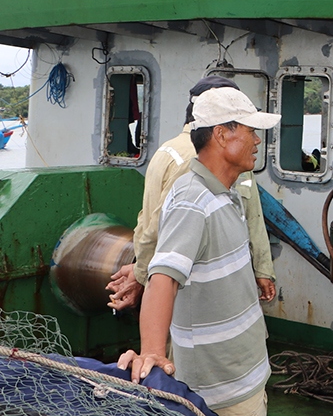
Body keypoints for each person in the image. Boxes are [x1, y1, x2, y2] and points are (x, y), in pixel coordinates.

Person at [118, 87, 282, 416]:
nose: (258, 140)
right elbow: (162, 277)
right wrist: (152, 353)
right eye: (251, 131)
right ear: (222, 135)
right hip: (220, 394)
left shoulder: (228, 193)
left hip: (244, 376)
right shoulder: (193, 202)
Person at [106, 76, 276, 311]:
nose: (256, 139)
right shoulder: (200, 159)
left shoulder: (169, 149)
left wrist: (262, 267)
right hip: (196, 289)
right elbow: (158, 226)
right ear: (221, 128)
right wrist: (142, 274)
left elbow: (250, 214)